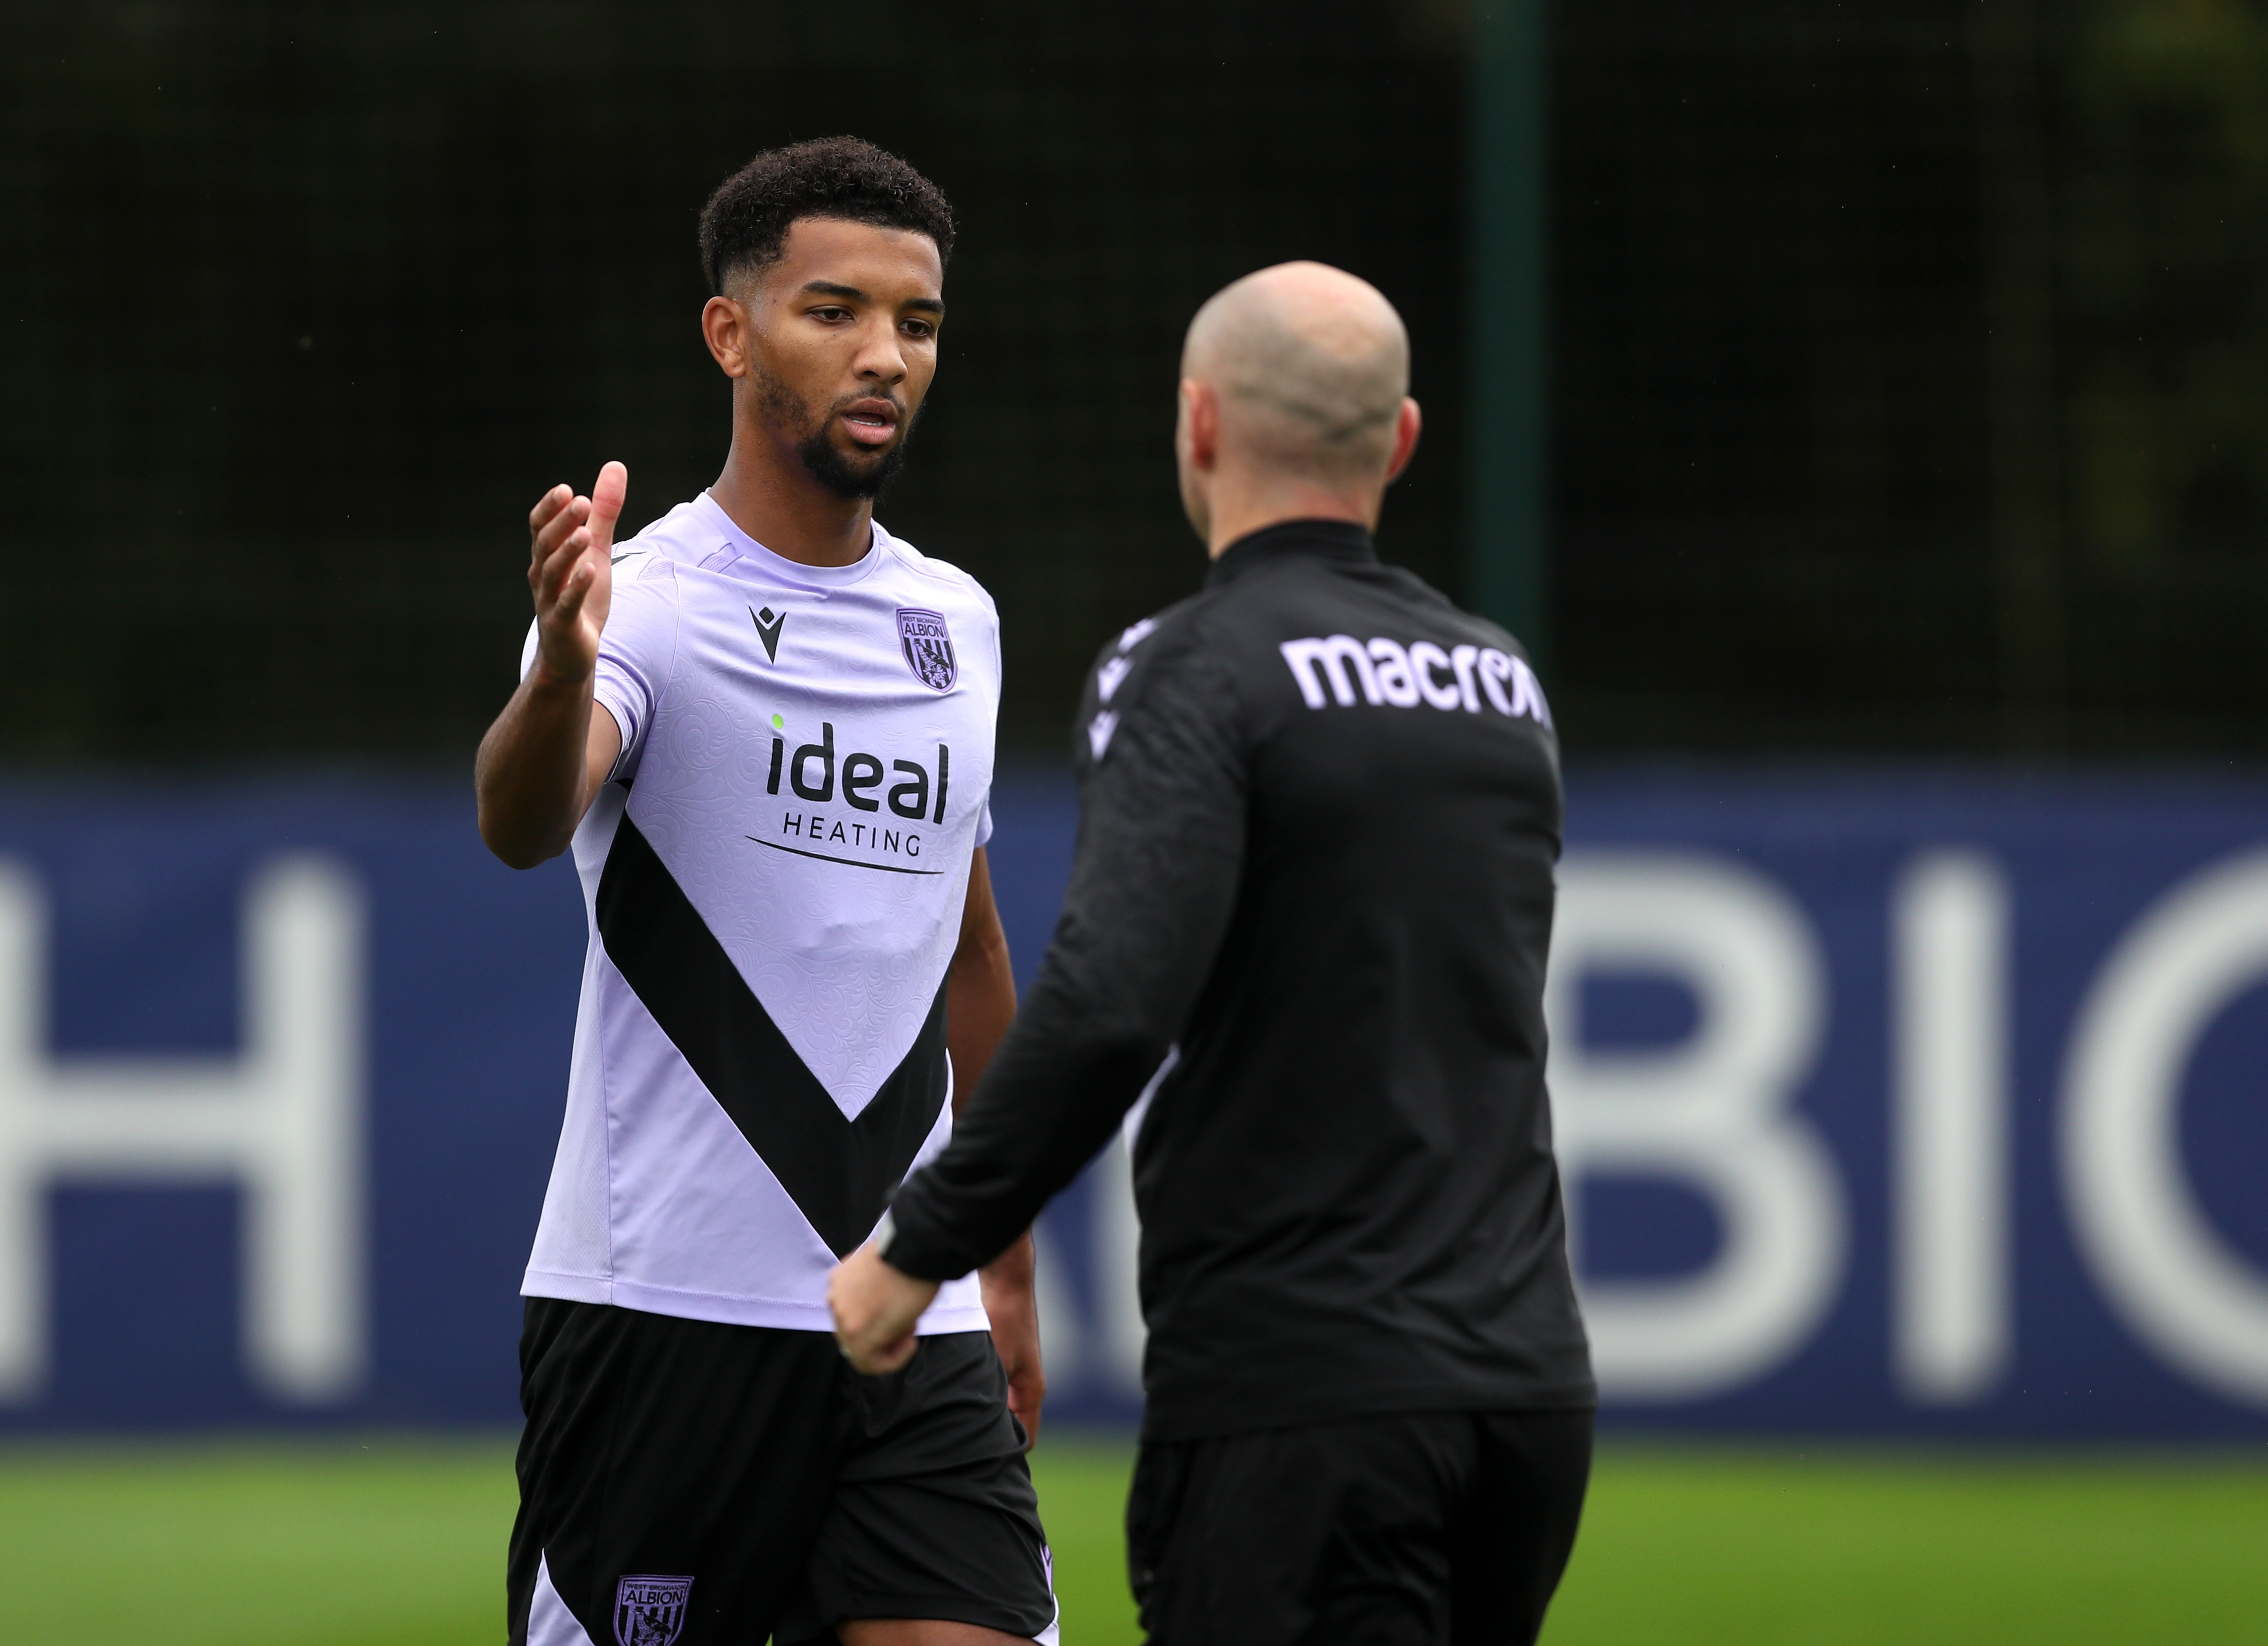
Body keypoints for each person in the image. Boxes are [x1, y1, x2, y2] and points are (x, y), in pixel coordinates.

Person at [829, 262, 1596, 1645]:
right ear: (1401, 439)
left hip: (1302, 1393)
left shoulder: (1190, 667)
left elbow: (1115, 998)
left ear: (1196, 424)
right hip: (1526, 1396)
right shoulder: (1499, 682)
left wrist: (918, 1246)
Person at [476, 137, 1055, 1646]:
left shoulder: (959, 621)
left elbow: (971, 946)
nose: (884, 356)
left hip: (905, 1320)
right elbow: (520, 821)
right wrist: (564, 663)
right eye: (833, 311)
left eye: (916, 324)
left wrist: (1000, 1259)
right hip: (669, 1315)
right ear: (731, 333)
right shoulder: (647, 601)